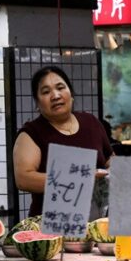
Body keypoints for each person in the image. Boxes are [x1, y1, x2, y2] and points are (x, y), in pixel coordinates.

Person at [13, 66, 112, 219]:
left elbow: (109, 158)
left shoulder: (91, 122)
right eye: (46, 92)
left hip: (95, 222)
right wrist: (79, 179)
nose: (55, 95)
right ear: (37, 103)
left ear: (71, 94)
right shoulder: (31, 133)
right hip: (52, 226)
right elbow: (23, 179)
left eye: (60, 87)